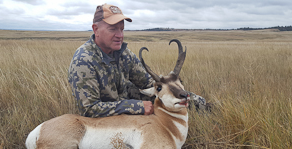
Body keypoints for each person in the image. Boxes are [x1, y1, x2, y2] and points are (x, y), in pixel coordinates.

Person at [68, 3, 207, 118]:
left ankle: (204, 106)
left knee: (163, 95)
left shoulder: (123, 53)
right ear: (96, 30)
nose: (120, 35)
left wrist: (178, 92)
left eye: (122, 29)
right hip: (105, 121)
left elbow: (148, 83)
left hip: (124, 103)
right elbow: (89, 110)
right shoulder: (83, 61)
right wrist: (136, 107)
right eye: (113, 29)